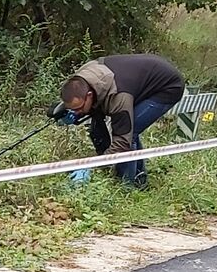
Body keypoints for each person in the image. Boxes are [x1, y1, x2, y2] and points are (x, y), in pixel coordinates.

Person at [51, 54, 186, 189]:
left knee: (130, 131)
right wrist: (68, 114)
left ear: (89, 96)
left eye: (78, 109)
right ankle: (140, 178)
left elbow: (122, 142)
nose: (76, 112)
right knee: (127, 127)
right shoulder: (81, 79)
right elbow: (91, 108)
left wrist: (92, 166)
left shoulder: (118, 98)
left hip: (167, 86)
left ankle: (126, 186)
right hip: (134, 80)